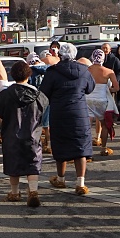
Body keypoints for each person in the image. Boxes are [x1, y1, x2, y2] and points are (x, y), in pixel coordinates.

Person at [39, 42, 94, 196]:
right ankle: (80, 182)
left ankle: (61, 179)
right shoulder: (84, 70)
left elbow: (44, 91)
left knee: (60, 143)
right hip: (79, 113)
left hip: (59, 112)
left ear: (60, 55)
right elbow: (90, 88)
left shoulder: (53, 71)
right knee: (80, 145)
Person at [0, 60, 49, 208]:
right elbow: (43, 110)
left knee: (13, 162)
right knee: (33, 162)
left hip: (12, 132)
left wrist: (4, 124)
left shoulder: (5, 94)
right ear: (28, 74)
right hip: (33, 133)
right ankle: (33, 191)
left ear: (12, 74)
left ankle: (14, 192)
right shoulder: (38, 95)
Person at [83, 49, 118, 154]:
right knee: (104, 124)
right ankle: (103, 148)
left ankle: (86, 150)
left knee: (87, 126)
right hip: (102, 100)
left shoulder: (86, 70)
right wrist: (107, 89)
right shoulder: (109, 71)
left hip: (87, 99)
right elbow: (116, 88)